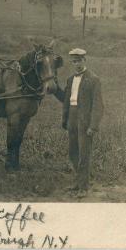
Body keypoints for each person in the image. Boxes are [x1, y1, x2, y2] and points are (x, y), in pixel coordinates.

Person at [55, 48, 104, 197]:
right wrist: (55, 89)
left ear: (85, 60)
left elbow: (98, 105)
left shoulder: (94, 79)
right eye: (74, 61)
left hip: (85, 121)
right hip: (72, 118)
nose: (76, 64)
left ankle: (83, 187)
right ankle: (77, 183)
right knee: (73, 152)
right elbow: (66, 99)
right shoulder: (70, 79)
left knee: (84, 153)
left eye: (79, 61)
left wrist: (93, 126)